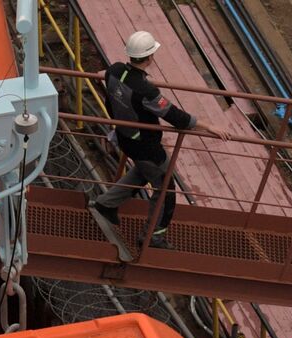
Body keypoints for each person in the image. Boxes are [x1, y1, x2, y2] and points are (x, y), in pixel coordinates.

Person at [89, 31, 230, 249]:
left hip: (125, 137)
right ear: (150, 57)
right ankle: (153, 236)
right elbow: (175, 117)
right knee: (166, 189)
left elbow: (105, 74)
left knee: (142, 173)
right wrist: (209, 126)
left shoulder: (115, 70)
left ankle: (106, 204)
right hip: (146, 147)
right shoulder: (146, 91)